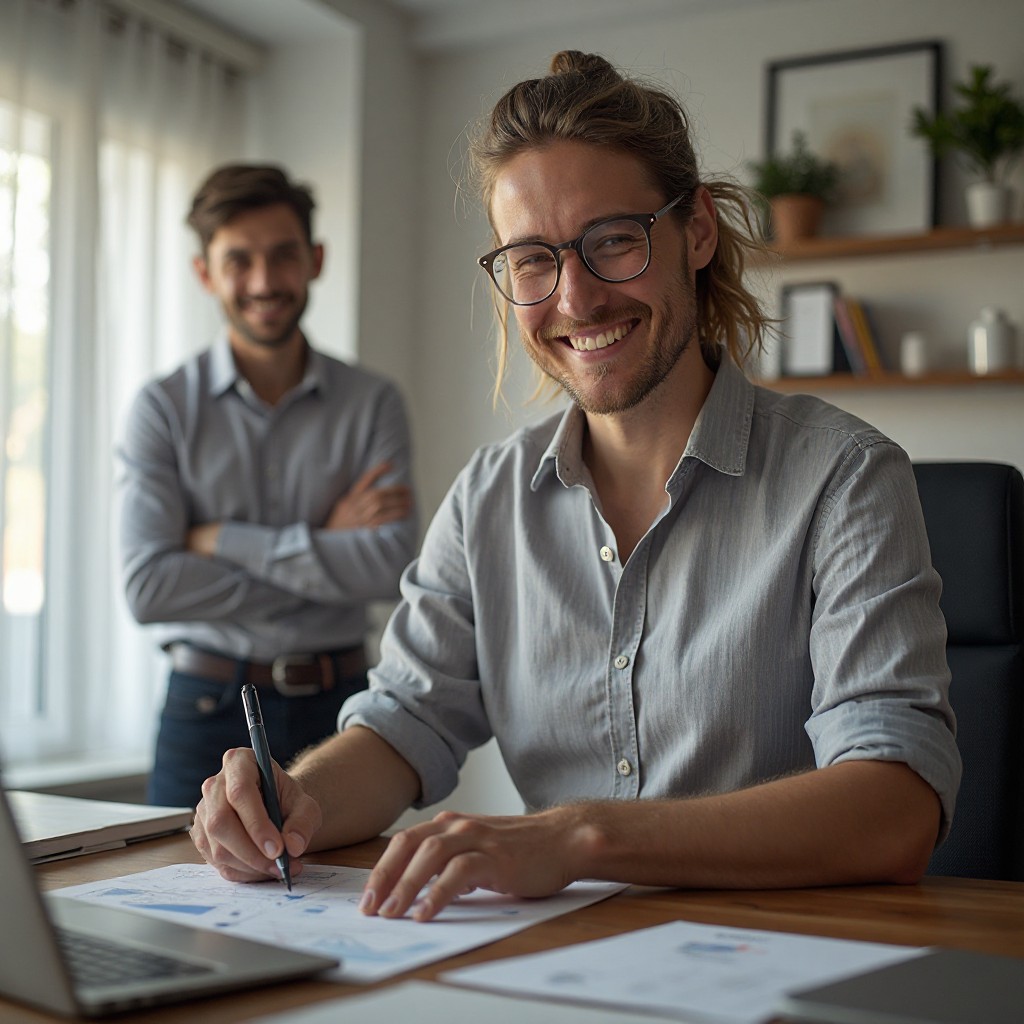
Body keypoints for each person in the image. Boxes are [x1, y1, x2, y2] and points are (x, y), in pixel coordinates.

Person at [190, 53, 961, 916]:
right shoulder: (489, 497)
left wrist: (580, 837)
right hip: (555, 970)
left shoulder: (845, 476)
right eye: (532, 261)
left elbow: (895, 805)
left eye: (614, 242)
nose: (578, 299)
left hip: (783, 963)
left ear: (696, 230)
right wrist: (297, 801)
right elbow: (405, 723)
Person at [119, 163, 417, 809]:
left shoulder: (373, 403)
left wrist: (220, 541)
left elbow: (390, 566)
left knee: (347, 905)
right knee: (177, 905)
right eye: (238, 260)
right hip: (204, 711)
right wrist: (321, 546)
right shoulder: (163, 409)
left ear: (314, 260)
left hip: (341, 714)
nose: (263, 281)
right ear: (205, 273)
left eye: (283, 256)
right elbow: (147, 588)